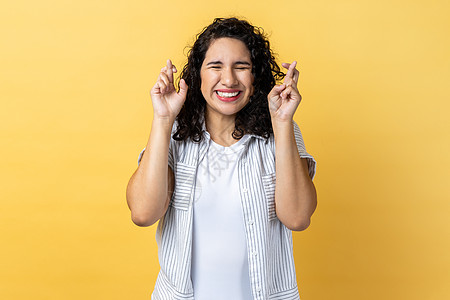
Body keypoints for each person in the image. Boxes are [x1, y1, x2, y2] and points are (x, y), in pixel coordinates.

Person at [126, 17, 317, 300]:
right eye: (215, 66)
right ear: (198, 76)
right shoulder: (174, 134)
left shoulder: (279, 132)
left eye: (241, 67)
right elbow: (142, 213)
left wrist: (283, 121)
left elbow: (298, 217)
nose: (228, 79)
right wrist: (163, 119)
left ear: (256, 78)